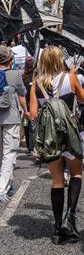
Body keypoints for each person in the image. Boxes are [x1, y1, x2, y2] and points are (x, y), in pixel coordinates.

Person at [30, 46, 84, 244]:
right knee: (76, 175)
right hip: (70, 135)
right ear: (59, 60)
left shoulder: (36, 84)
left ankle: (56, 228)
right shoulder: (70, 78)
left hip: (50, 138)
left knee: (56, 180)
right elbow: (83, 98)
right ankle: (69, 219)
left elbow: (34, 115)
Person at [0, 45, 29, 203]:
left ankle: (8, 183)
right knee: (9, 152)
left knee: (1, 154)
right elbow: (22, 94)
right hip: (10, 118)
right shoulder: (15, 74)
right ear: (10, 60)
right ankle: (2, 188)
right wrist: (26, 111)